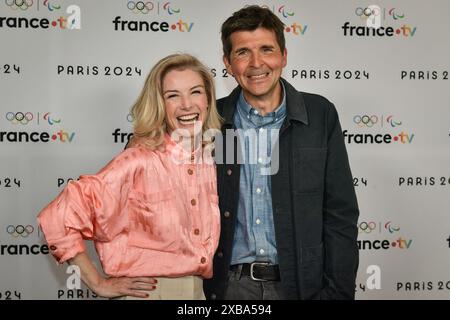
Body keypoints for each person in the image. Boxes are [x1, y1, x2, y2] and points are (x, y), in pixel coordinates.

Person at [203, 6, 359, 300]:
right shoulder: (213, 119)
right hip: (230, 288)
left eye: (266, 49)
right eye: (242, 52)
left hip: (303, 287)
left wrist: (338, 291)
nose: (256, 63)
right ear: (227, 63)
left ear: (283, 56)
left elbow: (340, 214)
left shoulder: (319, 114)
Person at [38, 53, 222, 300]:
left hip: (199, 293)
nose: (187, 104)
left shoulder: (209, 159)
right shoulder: (138, 159)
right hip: (150, 293)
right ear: (160, 104)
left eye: (196, 92)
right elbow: (57, 217)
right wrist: (98, 283)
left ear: (209, 100)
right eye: (172, 95)